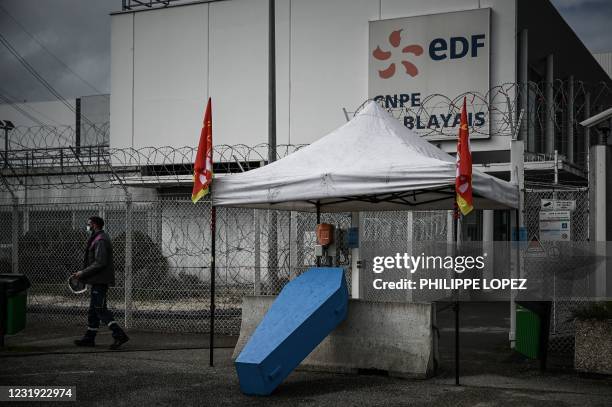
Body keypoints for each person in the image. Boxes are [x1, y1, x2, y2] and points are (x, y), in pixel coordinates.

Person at [71, 216, 129, 350]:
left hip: (100, 280)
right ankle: (89, 339)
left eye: (89, 223)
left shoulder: (101, 240)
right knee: (93, 311)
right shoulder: (97, 238)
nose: (87, 226)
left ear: (95, 225)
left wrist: (83, 273)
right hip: (97, 280)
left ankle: (119, 334)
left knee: (100, 309)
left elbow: (100, 262)